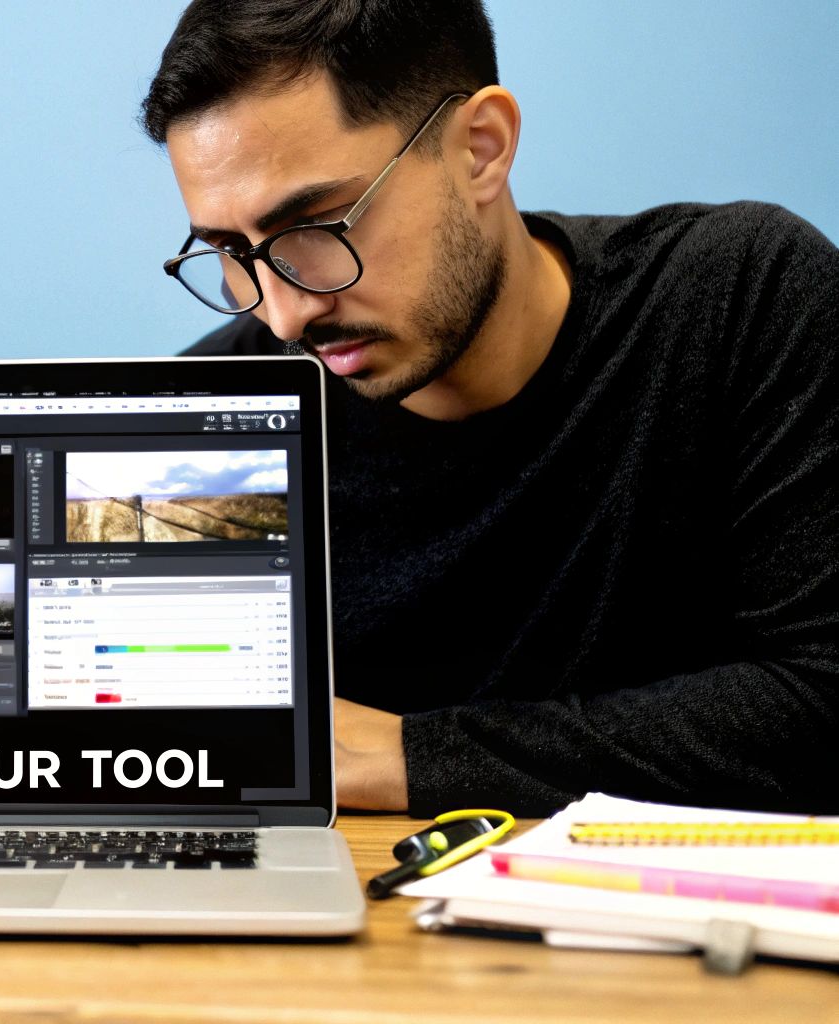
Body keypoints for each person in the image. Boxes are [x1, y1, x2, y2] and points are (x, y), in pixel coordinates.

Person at [142, 0, 839, 816]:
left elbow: (823, 701)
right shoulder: (213, 417)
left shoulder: (742, 302)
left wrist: (417, 757)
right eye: (230, 252)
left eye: (315, 226)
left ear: (481, 148)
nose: (284, 316)